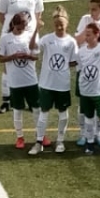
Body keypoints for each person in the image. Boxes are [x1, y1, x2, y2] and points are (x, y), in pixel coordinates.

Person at [0, 0, 43, 112]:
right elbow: (1, 15)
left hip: (30, 35)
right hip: (11, 34)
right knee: (7, 66)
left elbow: (38, 15)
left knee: (30, 63)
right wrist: (12, 30)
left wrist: (30, 31)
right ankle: (6, 99)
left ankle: (31, 99)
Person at [33, 10, 78, 155]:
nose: (59, 27)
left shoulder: (71, 42)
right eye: (56, 24)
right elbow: (33, 48)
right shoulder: (46, 39)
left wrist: (61, 67)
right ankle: (39, 142)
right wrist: (36, 30)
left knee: (63, 112)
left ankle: (60, 141)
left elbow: (73, 61)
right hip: (46, 83)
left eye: (61, 24)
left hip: (62, 84)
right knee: (43, 112)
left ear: (67, 23)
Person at [0, 9, 39, 150]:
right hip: (15, 81)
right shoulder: (5, 39)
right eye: (20, 27)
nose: (22, 29)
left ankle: (40, 135)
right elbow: (1, 58)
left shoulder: (30, 37)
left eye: (24, 26)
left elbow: (36, 56)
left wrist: (28, 56)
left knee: (37, 109)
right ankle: (20, 137)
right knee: (17, 110)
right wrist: (13, 56)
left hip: (31, 80)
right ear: (14, 25)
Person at [74, 21, 100, 155]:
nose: (86, 37)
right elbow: (81, 69)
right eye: (86, 34)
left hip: (99, 92)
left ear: (97, 34)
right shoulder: (81, 52)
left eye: (89, 34)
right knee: (88, 118)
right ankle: (90, 143)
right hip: (85, 91)